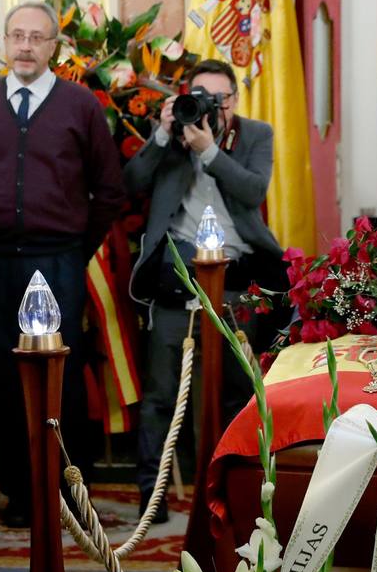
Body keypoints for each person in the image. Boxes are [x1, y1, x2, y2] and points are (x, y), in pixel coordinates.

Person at [0, 0, 126, 527]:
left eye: (37, 37)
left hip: (57, 261)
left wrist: (77, 246)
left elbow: (109, 189)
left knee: (63, 376)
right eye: (17, 36)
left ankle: (69, 493)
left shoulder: (80, 105)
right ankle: (19, 492)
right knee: (2, 374)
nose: (26, 46)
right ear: (4, 43)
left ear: (54, 46)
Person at [123, 59, 286, 520]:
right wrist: (161, 134)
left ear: (234, 100)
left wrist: (211, 151)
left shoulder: (256, 134)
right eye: (202, 96)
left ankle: (230, 490)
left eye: (220, 99)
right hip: (176, 280)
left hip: (237, 280)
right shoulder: (174, 131)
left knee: (237, 391)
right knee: (160, 393)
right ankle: (150, 496)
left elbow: (254, 191)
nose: (211, 106)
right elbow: (130, 184)